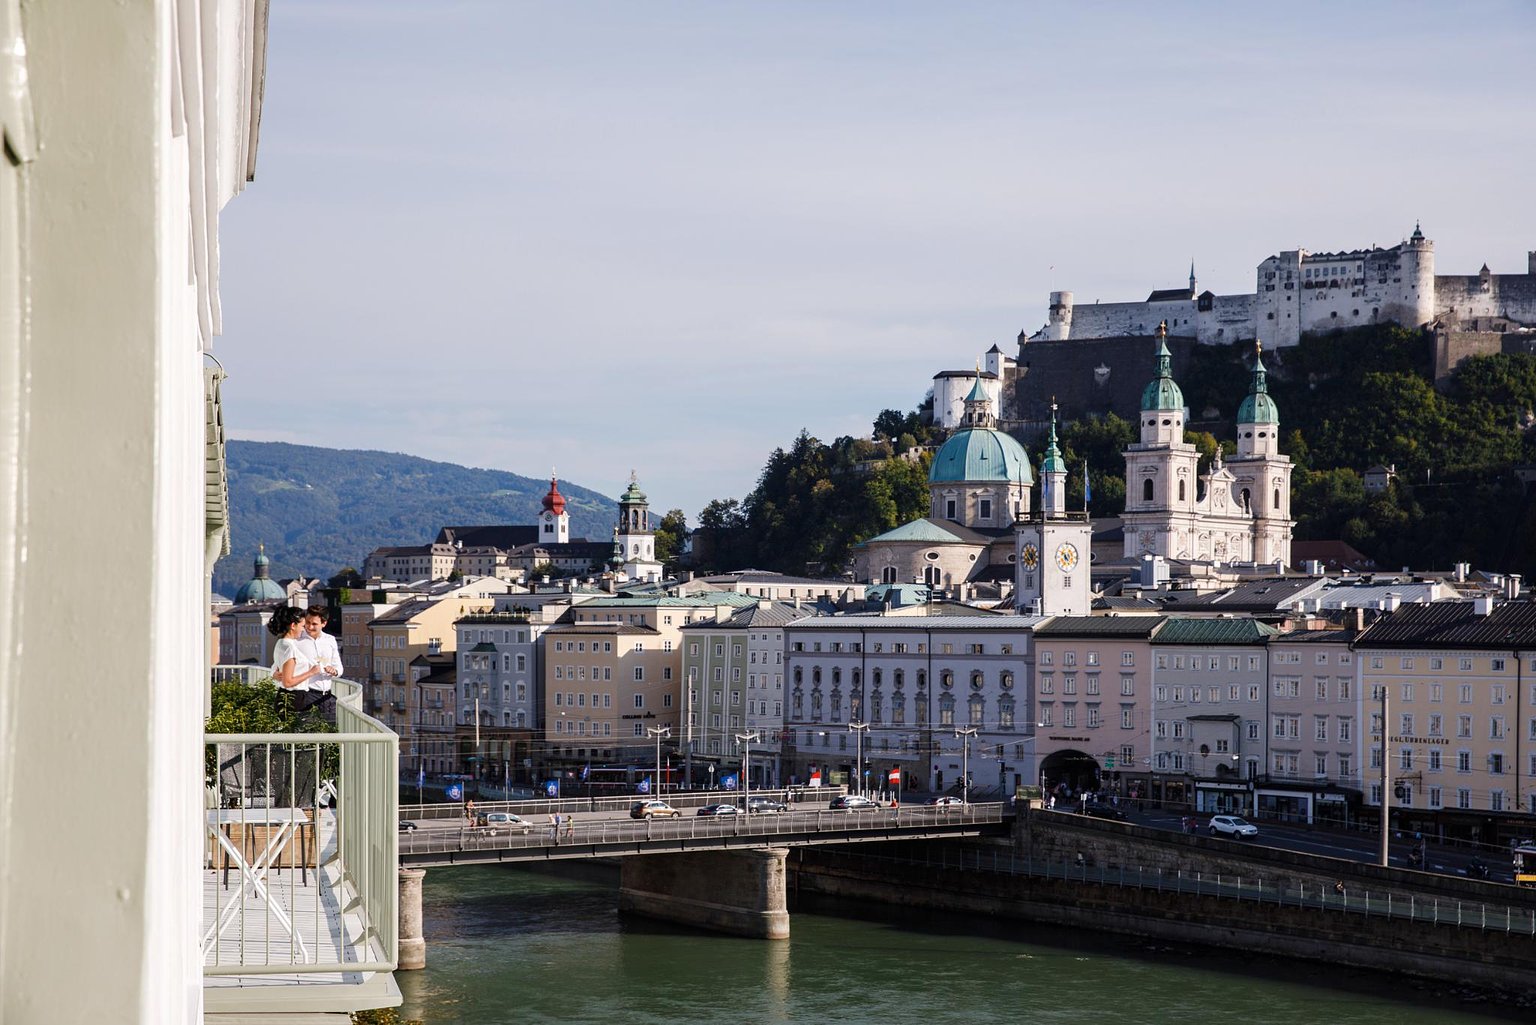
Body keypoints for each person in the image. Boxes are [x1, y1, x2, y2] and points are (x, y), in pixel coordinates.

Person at [268, 606, 327, 708]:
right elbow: (287, 682)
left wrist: (273, 673)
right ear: (293, 625)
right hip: (295, 699)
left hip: (285, 697)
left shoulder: (281, 643)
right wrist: (311, 672)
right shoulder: (290, 648)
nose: (304, 630)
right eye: (302, 626)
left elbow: (277, 666)